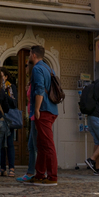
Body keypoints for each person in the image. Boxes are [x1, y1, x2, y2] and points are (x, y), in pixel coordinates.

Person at [28, 45, 59, 185]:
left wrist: (36, 109)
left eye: (29, 54)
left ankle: (52, 177)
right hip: (52, 109)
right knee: (41, 143)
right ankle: (40, 174)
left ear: (33, 55)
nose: (29, 56)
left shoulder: (37, 68)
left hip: (44, 110)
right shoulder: (48, 68)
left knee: (47, 144)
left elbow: (40, 89)